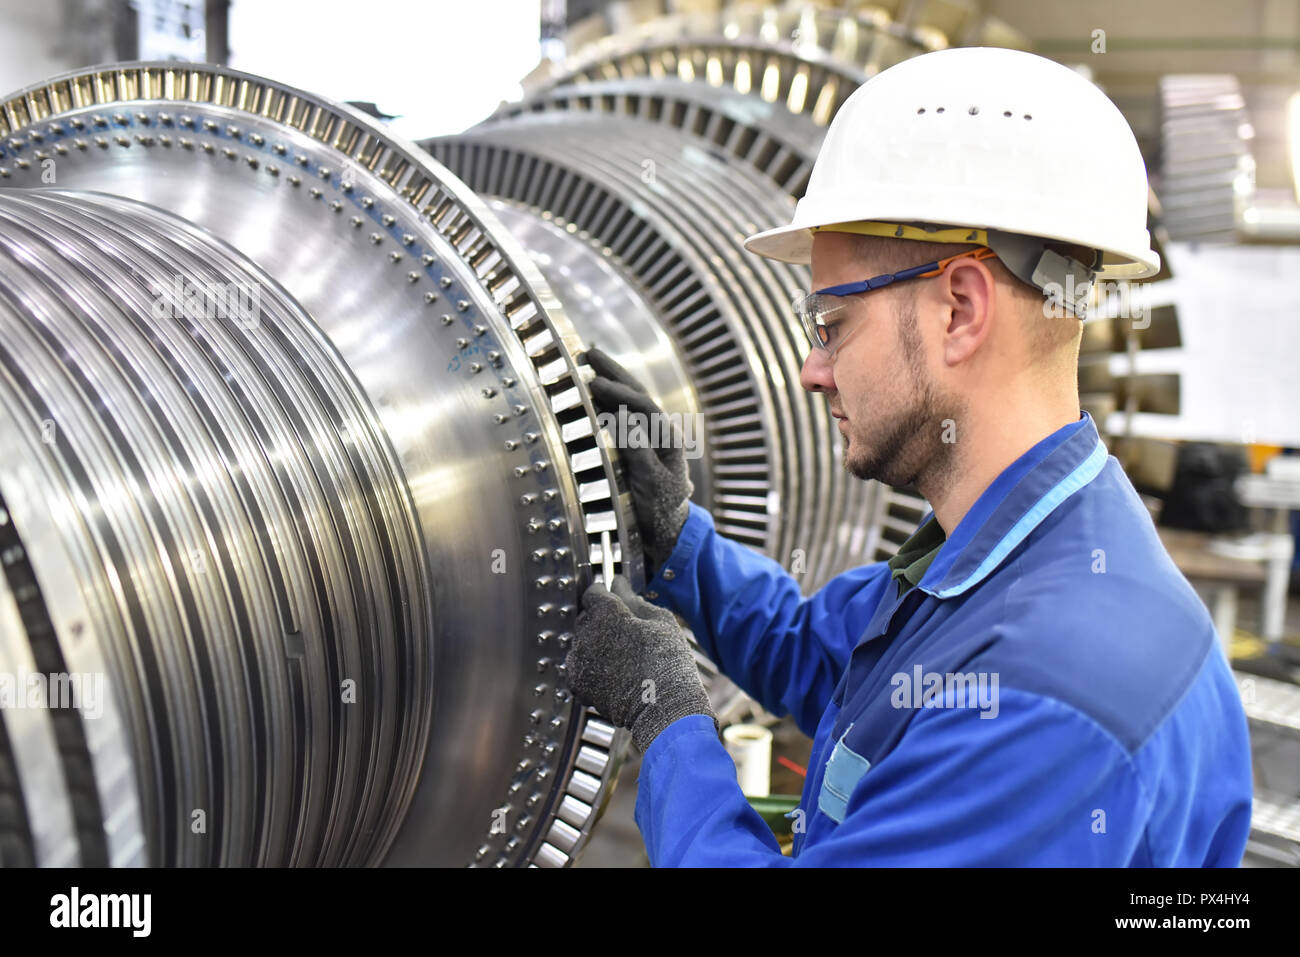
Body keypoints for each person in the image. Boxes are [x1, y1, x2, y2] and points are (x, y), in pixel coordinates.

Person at [564, 47, 1253, 866]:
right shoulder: (1006, 550)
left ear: (960, 307)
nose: (811, 371)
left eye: (832, 325)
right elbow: (825, 657)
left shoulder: (1049, 699)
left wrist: (673, 722)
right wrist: (682, 545)